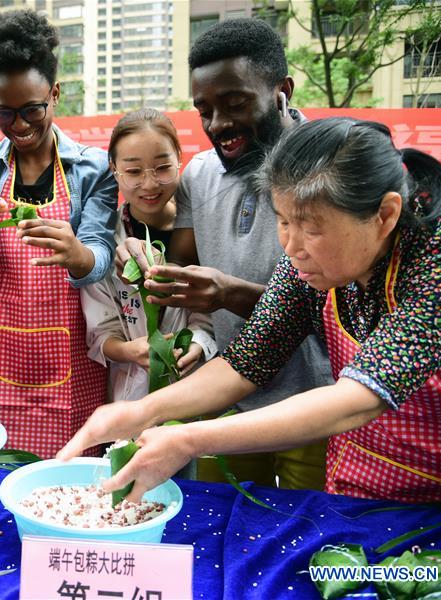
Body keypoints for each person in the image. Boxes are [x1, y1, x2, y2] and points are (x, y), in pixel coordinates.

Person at [60, 117, 441, 507]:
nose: (291, 246)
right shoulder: (307, 263)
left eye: (310, 227)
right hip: (358, 479)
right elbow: (245, 362)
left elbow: (361, 397)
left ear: (385, 215)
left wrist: (189, 438)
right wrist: (138, 411)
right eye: (283, 221)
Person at [119, 18, 333, 490]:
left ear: (283, 90)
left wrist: (229, 294)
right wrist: (144, 262)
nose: (219, 125)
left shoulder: (328, 170)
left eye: (235, 104)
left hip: (316, 399)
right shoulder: (200, 174)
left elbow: (335, 309)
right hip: (223, 397)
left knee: (309, 535)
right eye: (204, 110)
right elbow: (177, 275)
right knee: (216, 523)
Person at [0, 9, 118, 458]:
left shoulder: (92, 167)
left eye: (32, 109)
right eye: (4, 112)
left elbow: (100, 255)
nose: (20, 125)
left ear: (55, 94)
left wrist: (77, 255)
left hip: (71, 354)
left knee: (68, 475)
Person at [81, 108, 216, 404]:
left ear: (179, 159)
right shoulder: (104, 240)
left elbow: (211, 314)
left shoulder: (204, 228)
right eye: (133, 171)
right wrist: (130, 350)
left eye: (162, 167)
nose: (150, 183)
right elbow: (101, 333)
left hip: (199, 394)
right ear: (113, 168)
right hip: (132, 398)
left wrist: (198, 342)